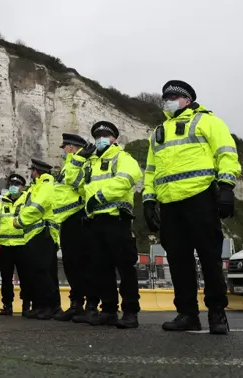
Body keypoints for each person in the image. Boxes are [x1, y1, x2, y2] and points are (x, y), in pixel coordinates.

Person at [142, 80, 240, 335]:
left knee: (209, 259)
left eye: (174, 96)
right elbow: (151, 170)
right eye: (165, 97)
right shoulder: (159, 131)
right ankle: (187, 314)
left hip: (201, 198)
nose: (168, 100)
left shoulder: (207, 121)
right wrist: (149, 201)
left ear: (187, 99)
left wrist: (227, 187)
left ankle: (217, 314)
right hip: (170, 204)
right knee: (178, 261)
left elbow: (226, 153)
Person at [67, 121, 143, 329]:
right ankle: (108, 310)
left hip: (116, 219)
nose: (101, 138)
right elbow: (72, 183)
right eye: (97, 135)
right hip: (95, 221)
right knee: (101, 268)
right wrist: (78, 159)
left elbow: (126, 180)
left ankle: (130, 311)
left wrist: (98, 197)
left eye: (105, 135)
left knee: (125, 266)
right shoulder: (89, 162)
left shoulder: (122, 158)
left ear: (114, 139)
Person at [52, 133, 100, 321]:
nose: (63, 151)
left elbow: (78, 184)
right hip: (67, 219)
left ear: (71, 147)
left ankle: (91, 304)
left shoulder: (84, 162)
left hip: (80, 217)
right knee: (72, 265)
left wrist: (78, 160)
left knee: (84, 263)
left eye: (65, 147)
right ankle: (76, 302)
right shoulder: (70, 164)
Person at [13, 158, 59, 320]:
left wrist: (19, 221)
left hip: (43, 233)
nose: (31, 174)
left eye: (32, 171)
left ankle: (48, 307)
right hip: (35, 234)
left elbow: (36, 207)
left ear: (36, 172)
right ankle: (40, 306)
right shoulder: (38, 187)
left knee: (43, 272)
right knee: (38, 272)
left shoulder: (46, 186)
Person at [0, 174, 30, 315]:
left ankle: (27, 305)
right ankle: (7, 305)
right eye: (11, 184)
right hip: (5, 246)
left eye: (16, 185)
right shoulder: (2, 203)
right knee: (5, 277)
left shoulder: (27, 201)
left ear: (22, 188)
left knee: (25, 277)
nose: (13, 187)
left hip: (22, 245)